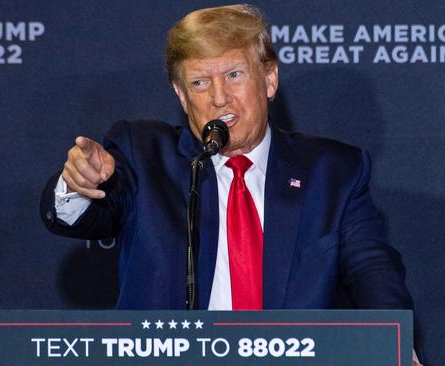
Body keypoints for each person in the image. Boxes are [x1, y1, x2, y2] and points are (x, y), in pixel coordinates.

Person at [40, 4, 424, 364]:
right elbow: (82, 217)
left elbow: (371, 269)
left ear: (270, 79)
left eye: (234, 75)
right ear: (181, 94)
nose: (219, 97)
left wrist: (392, 343)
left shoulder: (332, 171)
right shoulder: (143, 154)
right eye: (200, 82)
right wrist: (78, 183)